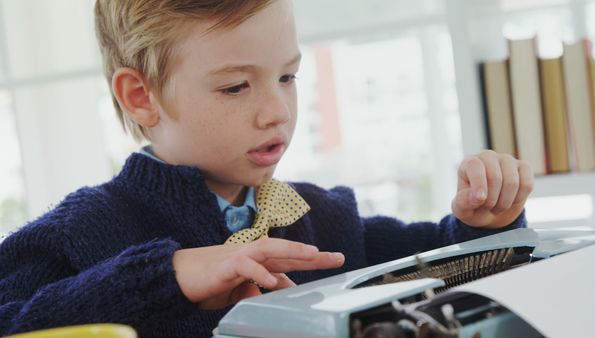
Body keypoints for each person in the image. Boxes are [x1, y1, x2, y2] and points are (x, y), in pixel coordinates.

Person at [0, 0, 534, 337]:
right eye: (236, 86)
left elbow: (451, 271)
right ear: (141, 97)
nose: (277, 111)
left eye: (288, 77)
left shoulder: (322, 215)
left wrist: (483, 224)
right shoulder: (80, 230)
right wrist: (165, 277)